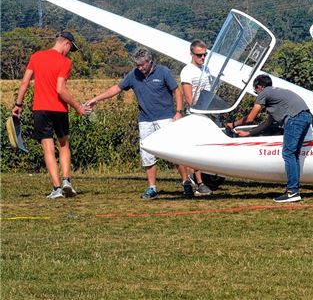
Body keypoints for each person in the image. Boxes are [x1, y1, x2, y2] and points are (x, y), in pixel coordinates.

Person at [86, 47, 190, 200]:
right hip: (145, 120)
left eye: (142, 65)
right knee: (147, 155)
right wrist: (96, 99)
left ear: (150, 61)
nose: (140, 68)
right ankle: (152, 187)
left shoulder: (163, 72)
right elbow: (116, 88)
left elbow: (177, 91)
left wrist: (179, 112)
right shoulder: (133, 75)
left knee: (174, 153)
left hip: (166, 118)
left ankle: (186, 183)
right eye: (137, 65)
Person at [13, 31, 89, 199]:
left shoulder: (36, 56)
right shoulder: (65, 62)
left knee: (48, 148)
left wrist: (18, 104)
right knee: (63, 145)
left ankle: (56, 189)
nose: (70, 52)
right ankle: (67, 182)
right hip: (59, 109)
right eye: (71, 48)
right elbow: (60, 90)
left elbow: (25, 82)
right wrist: (78, 107)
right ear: (66, 43)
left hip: (40, 109)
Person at [226, 74, 312, 203]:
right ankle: (293, 190)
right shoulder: (277, 95)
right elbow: (268, 123)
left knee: (288, 154)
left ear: (259, 87)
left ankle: (293, 192)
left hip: (294, 119)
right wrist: (249, 134)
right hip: (305, 116)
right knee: (293, 155)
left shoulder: (264, 93)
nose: (256, 93)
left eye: (255, 90)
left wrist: (233, 124)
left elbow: (250, 118)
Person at [178, 40, 214, 196]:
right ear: (192, 54)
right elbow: (189, 98)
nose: (203, 58)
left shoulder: (206, 69)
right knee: (196, 149)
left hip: (207, 113)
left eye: (205, 54)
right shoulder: (187, 71)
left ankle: (204, 179)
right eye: (199, 55)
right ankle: (198, 182)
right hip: (195, 114)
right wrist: (199, 109)